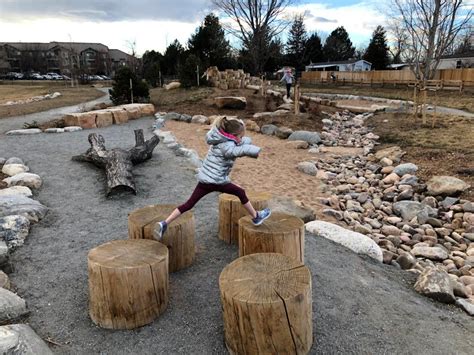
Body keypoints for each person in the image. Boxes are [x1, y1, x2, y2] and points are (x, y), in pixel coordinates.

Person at [155, 117, 271, 239]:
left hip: (205, 180)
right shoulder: (228, 145)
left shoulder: (218, 139)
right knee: (240, 192)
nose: (241, 139)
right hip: (217, 181)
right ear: (233, 135)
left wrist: (245, 140)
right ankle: (256, 217)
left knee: (189, 204)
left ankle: (164, 223)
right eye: (241, 137)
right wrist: (253, 150)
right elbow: (235, 151)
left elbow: (237, 143)